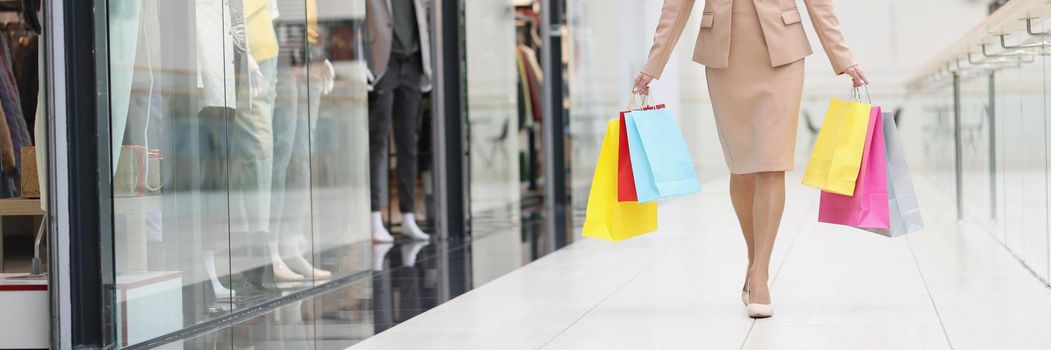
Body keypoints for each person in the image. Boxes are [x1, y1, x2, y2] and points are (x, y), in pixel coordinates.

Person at [633, 0, 869, 318]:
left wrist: (843, 58)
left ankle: (760, 276)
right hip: (723, 57)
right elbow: (675, 6)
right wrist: (653, 64)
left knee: (773, 163)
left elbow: (819, 3)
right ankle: (754, 259)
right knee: (742, 167)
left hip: (783, 53)